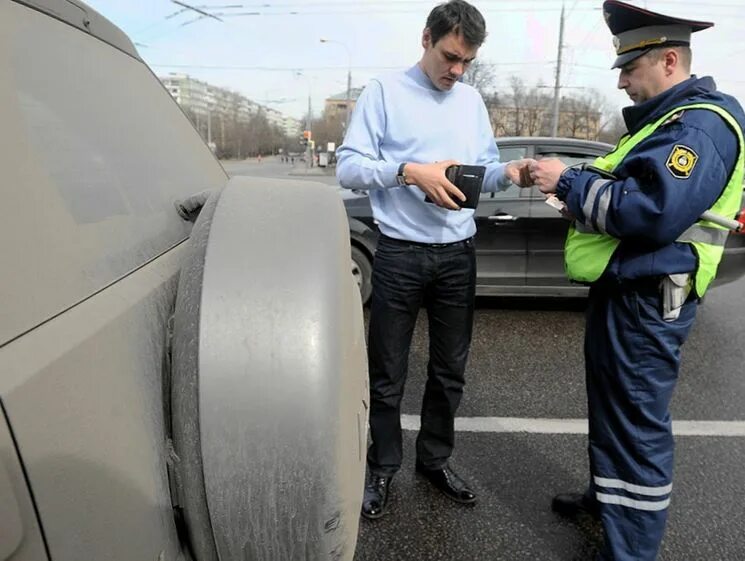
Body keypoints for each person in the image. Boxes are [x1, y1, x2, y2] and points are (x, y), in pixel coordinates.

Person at [529, 1, 745, 559]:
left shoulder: (699, 126)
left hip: (649, 301)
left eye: (630, 68)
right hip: (627, 292)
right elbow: (624, 192)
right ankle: (607, 501)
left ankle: (630, 551)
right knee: (612, 412)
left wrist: (568, 181)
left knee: (636, 430)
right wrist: (574, 186)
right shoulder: (667, 123)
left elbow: (650, 211)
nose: (622, 80)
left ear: (669, 60)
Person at [336, 0, 533, 520]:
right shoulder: (383, 92)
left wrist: (508, 174)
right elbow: (349, 168)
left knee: (449, 371)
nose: (456, 71)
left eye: (466, 62)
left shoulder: (471, 102)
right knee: (387, 372)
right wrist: (409, 172)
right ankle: (381, 467)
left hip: (456, 255)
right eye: (449, 56)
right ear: (426, 39)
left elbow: (484, 171)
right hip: (399, 253)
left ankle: (434, 460)